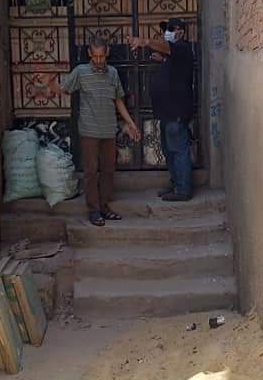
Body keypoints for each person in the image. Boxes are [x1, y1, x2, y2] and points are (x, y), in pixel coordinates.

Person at [47, 38, 140, 227]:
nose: (98, 60)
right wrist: (50, 84)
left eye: (101, 56)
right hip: (89, 130)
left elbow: (118, 100)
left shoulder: (112, 73)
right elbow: (63, 89)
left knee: (108, 170)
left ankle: (104, 207)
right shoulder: (81, 72)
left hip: (109, 130)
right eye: (95, 56)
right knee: (90, 171)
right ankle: (93, 210)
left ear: (107, 53)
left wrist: (130, 123)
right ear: (90, 53)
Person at [129, 18, 194, 201]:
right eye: (166, 29)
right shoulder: (171, 56)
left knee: (178, 150)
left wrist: (145, 41)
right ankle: (176, 184)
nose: (167, 32)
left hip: (176, 112)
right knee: (168, 151)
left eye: (171, 29)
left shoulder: (182, 48)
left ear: (180, 32)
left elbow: (167, 47)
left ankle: (183, 190)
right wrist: (163, 59)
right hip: (166, 114)